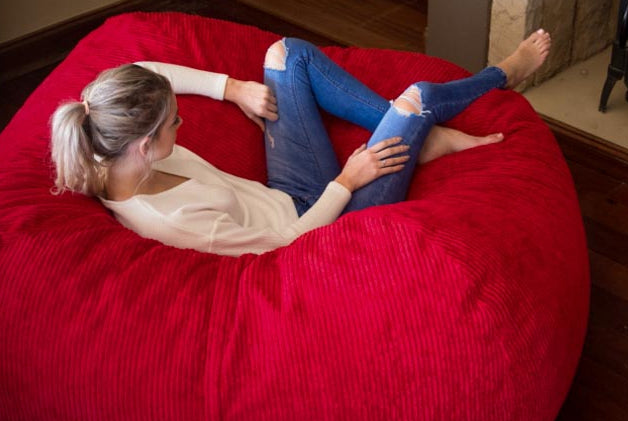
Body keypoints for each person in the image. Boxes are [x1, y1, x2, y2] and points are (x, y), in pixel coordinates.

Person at [49, 30, 551, 256]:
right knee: (416, 99)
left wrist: (230, 87)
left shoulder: (106, 133)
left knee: (286, 55)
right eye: (175, 124)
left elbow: (146, 74)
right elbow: (287, 246)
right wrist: (345, 181)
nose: (184, 126)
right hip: (321, 228)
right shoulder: (178, 224)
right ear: (143, 143)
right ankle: (502, 74)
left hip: (286, 190)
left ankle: (424, 141)